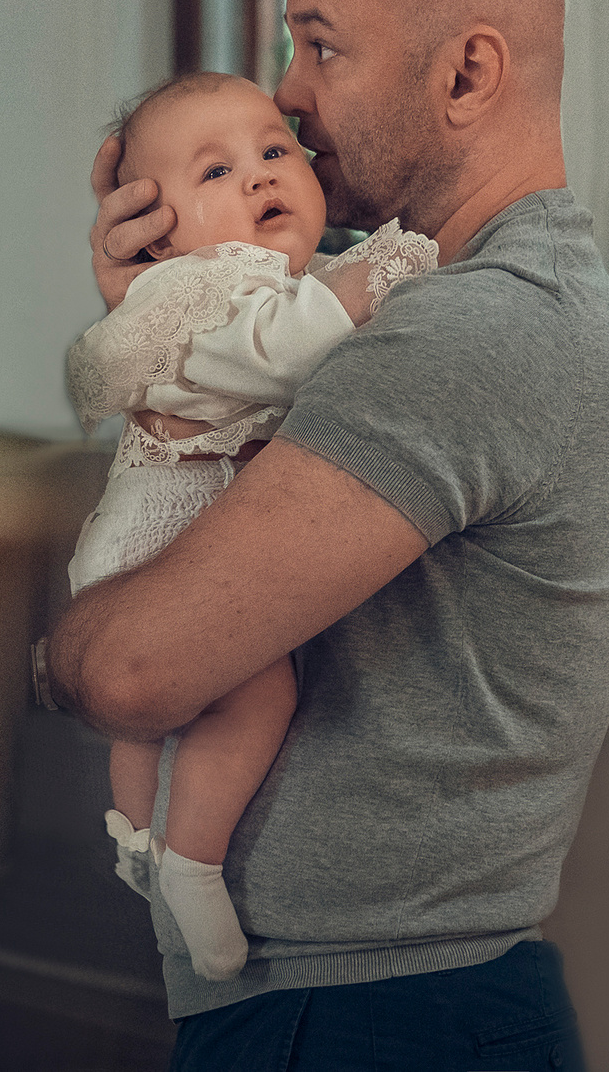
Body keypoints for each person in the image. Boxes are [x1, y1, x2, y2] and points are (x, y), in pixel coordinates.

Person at [42, 0, 609, 1069]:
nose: (286, 94)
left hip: (372, 1021)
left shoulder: (473, 331)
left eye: (319, 44)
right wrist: (168, 316)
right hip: (379, 1007)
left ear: (467, 76)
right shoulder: (420, 306)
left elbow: (134, 666)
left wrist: (48, 660)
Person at [62, 70, 435, 980]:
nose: (262, 176)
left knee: (149, 728)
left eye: (274, 151)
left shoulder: (226, 278)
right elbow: (279, 352)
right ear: (158, 228)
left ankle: (139, 837)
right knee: (254, 695)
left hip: (139, 529)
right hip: (170, 525)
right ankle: (191, 860)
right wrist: (371, 279)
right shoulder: (214, 287)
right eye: (217, 172)